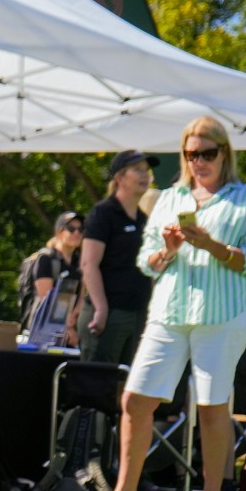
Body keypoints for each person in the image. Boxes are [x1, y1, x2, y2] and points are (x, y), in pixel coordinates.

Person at [81, 116, 246, 491]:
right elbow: (148, 263)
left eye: (207, 153)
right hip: (170, 311)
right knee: (135, 400)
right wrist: (167, 250)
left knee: (210, 405)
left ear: (224, 154)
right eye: (191, 153)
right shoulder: (168, 197)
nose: (198, 161)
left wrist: (211, 245)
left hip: (222, 313)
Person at [79, 150, 158, 365]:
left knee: (126, 390)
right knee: (98, 386)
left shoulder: (144, 219)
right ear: (120, 178)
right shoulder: (103, 213)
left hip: (137, 314)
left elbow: (148, 269)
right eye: (138, 170)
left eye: (147, 171)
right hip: (109, 315)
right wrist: (101, 309)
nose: (145, 176)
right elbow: (88, 264)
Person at [19, 211, 82, 338]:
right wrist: (66, 327)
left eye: (81, 229)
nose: (77, 233)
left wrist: (73, 325)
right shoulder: (45, 259)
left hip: (69, 332)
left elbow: (81, 296)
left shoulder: (80, 263)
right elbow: (46, 298)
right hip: (42, 331)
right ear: (59, 232)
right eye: (71, 229)